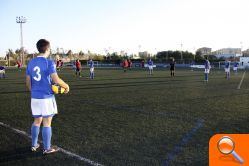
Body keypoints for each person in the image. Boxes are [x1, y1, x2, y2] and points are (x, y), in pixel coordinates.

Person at [26, 39, 69, 154]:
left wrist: (34, 92)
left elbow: (28, 82)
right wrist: (66, 86)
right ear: (48, 49)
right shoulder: (49, 62)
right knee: (47, 122)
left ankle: (34, 145)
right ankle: (47, 148)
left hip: (34, 97)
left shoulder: (30, 62)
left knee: (36, 121)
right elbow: (55, 79)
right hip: (46, 98)